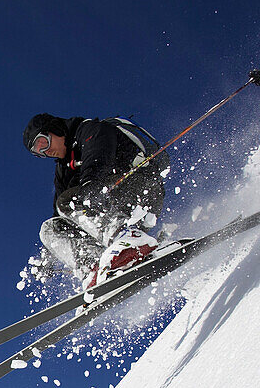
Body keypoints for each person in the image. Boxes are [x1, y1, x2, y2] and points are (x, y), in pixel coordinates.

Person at [23, 113, 169, 289]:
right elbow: (60, 216)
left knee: (71, 199)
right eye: (38, 153)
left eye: (43, 143)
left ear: (54, 128)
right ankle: (94, 267)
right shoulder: (63, 170)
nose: (45, 152)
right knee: (50, 227)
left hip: (140, 188)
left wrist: (91, 186)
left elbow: (98, 155)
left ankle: (128, 238)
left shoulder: (90, 130)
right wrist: (48, 258)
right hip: (109, 206)